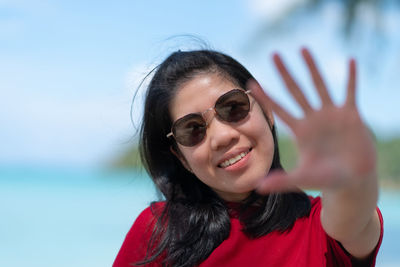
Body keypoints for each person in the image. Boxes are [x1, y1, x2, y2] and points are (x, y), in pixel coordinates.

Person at [113, 48, 383, 267]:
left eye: (233, 107)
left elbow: (354, 218)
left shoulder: (319, 227)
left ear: (267, 111)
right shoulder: (158, 232)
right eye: (193, 129)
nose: (221, 137)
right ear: (182, 159)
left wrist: (353, 179)